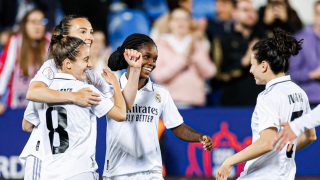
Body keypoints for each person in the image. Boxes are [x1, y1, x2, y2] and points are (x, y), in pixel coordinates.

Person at [20, 15, 142, 180]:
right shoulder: (52, 65)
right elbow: (33, 93)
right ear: (65, 37)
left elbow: (122, 107)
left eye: (91, 32)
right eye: (83, 31)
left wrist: (134, 72)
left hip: (67, 164)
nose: (90, 37)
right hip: (42, 158)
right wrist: (74, 97)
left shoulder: (88, 74)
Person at [104, 33, 213, 180]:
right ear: (130, 56)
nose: (151, 63)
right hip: (118, 172)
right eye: (146, 57)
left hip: (152, 173)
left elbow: (177, 126)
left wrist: (199, 137)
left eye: (154, 59)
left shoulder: (161, 93)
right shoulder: (111, 88)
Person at [216, 29, 317, 180]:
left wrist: (229, 161)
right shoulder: (300, 92)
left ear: (263, 66)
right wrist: (283, 154)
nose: (250, 70)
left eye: (252, 65)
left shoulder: (268, 96)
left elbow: (266, 143)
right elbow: (310, 136)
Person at [151, 8, 216, 108]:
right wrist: (183, 58)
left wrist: (195, 56)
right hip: (169, 103)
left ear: (190, 23)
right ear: (170, 23)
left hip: (195, 103)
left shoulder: (198, 44)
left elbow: (210, 72)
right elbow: (158, 76)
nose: (181, 23)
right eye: (176, 19)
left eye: (185, 19)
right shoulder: (160, 46)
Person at [0, 8, 50, 114]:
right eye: (33, 22)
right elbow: (4, 73)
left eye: (41, 21)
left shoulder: (49, 42)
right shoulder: (15, 42)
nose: (38, 26)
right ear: (24, 25)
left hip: (42, 109)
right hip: (16, 108)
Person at [289, 0, 320, 109]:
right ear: (314, 15)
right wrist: (313, 74)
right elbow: (291, 73)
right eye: (318, 14)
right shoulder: (300, 39)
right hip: (309, 101)